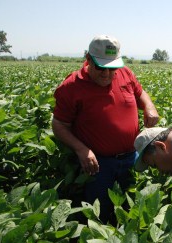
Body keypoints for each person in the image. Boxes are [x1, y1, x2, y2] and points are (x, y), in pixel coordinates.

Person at [52, 35, 159, 223]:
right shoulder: (71, 87)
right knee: (99, 215)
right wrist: (81, 149)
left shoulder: (125, 73)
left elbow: (141, 93)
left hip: (131, 157)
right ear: (88, 59)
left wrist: (149, 107)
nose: (107, 75)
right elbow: (59, 125)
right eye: (101, 68)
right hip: (99, 165)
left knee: (131, 209)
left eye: (112, 69)